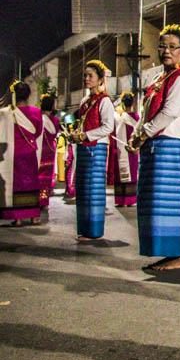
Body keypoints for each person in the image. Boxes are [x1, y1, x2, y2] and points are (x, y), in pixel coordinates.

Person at [129, 24, 180, 272]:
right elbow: (147, 111)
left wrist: (144, 134)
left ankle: (179, 254)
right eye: (163, 46)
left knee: (165, 201)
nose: (167, 51)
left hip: (169, 144)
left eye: (173, 47)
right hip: (154, 143)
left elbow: (169, 112)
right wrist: (138, 134)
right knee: (152, 201)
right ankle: (167, 252)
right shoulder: (160, 79)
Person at [69, 60, 116, 240]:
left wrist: (86, 135)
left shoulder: (104, 101)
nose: (86, 79)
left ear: (100, 79)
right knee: (83, 190)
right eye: (85, 75)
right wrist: (78, 134)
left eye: (90, 76)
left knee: (93, 189)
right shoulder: (85, 100)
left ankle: (94, 231)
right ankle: (84, 229)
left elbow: (108, 127)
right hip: (83, 147)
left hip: (97, 148)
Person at [0, 81, 44, 226]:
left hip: (13, 154)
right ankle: (34, 217)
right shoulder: (37, 112)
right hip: (30, 153)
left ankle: (18, 218)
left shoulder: (6, 112)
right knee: (31, 183)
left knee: (17, 185)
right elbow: (38, 132)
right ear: (28, 95)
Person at [111, 92, 140, 207]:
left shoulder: (118, 118)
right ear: (133, 103)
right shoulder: (137, 117)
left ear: (122, 103)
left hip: (120, 149)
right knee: (131, 174)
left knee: (120, 174)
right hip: (131, 149)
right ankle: (130, 200)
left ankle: (120, 200)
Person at [37, 93, 60, 212]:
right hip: (51, 150)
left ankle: (36, 200)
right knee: (46, 178)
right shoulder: (56, 121)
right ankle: (44, 202)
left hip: (40, 150)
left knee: (37, 176)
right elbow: (55, 134)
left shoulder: (39, 119)